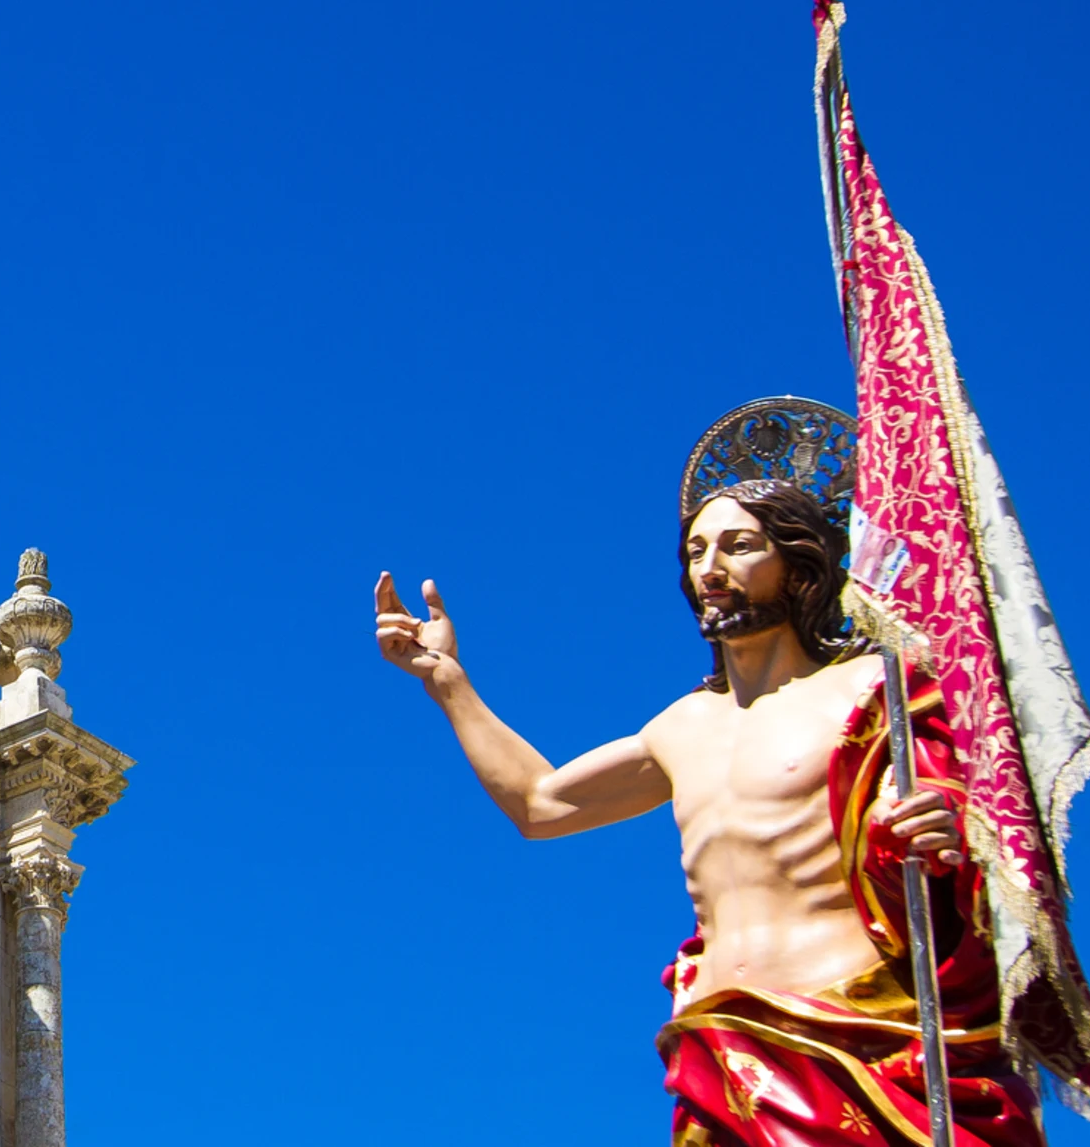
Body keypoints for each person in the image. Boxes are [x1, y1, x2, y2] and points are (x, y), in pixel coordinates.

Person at [374, 478, 1042, 1147]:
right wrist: (449, 685)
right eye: (696, 552)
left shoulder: (876, 689)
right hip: (718, 1058)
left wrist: (951, 829)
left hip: (859, 1045)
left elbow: (979, 823)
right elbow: (541, 804)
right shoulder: (681, 727)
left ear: (800, 562)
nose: (710, 570)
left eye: (739, 546)